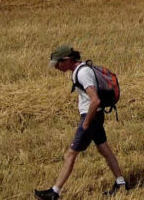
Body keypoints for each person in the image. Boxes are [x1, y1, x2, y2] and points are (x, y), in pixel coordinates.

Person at [35, 45, 129, 199]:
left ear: (67, 60)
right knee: (104, 149)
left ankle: (54, 192)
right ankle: (121, 183)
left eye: (58, 64)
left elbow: (95, 100)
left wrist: (86, 123)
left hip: (91, 117)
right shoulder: (81, 70)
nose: (56, 67)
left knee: (71, 154)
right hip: (95, 117)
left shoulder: (83, 73)